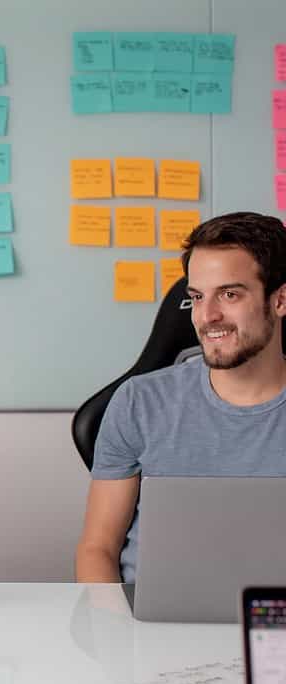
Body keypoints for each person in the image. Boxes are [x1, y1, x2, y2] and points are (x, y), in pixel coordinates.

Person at [76, 212, 286, 583]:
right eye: (197, 297)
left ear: (280, 300)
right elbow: (98, 549)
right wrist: (115, 632)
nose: (208, 316)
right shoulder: (139, 403)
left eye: (230, 294)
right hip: (154, 626)